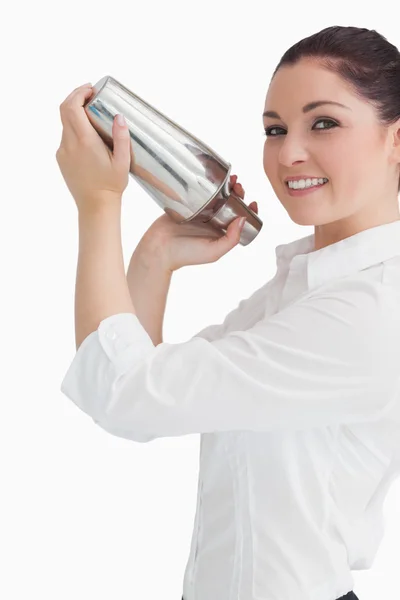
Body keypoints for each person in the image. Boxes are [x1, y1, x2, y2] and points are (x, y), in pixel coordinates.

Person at [60, 25, 400, 600]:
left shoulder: (370, 309)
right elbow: (139, 396)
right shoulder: (304, 288)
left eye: (324, 122)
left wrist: (98, 204)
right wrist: (157, 256)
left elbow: (125, 394)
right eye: (275, 129)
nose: (289, 152)